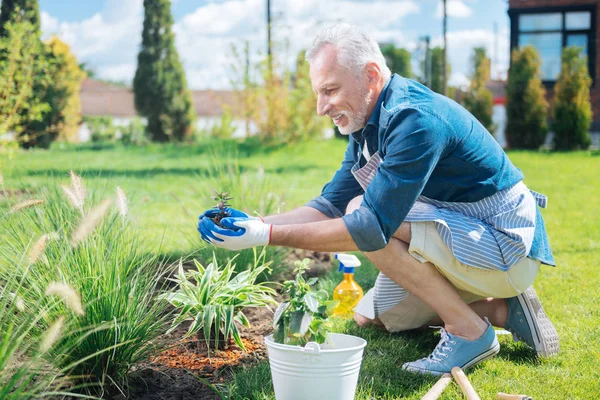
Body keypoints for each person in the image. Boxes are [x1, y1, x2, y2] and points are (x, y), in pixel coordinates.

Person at [198, 24, 559, 375]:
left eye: (330, 90)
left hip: (505, 246)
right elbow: (328, 205)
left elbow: (369, 227)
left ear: (371, 75)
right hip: (464, 240)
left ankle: (470, 331)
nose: (321, 107)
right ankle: (502, 311)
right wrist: (257, 224)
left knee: (363, 215)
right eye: (318, 93)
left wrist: (267, 237)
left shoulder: (416, 119)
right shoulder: (365, 124)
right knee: (374, 318)